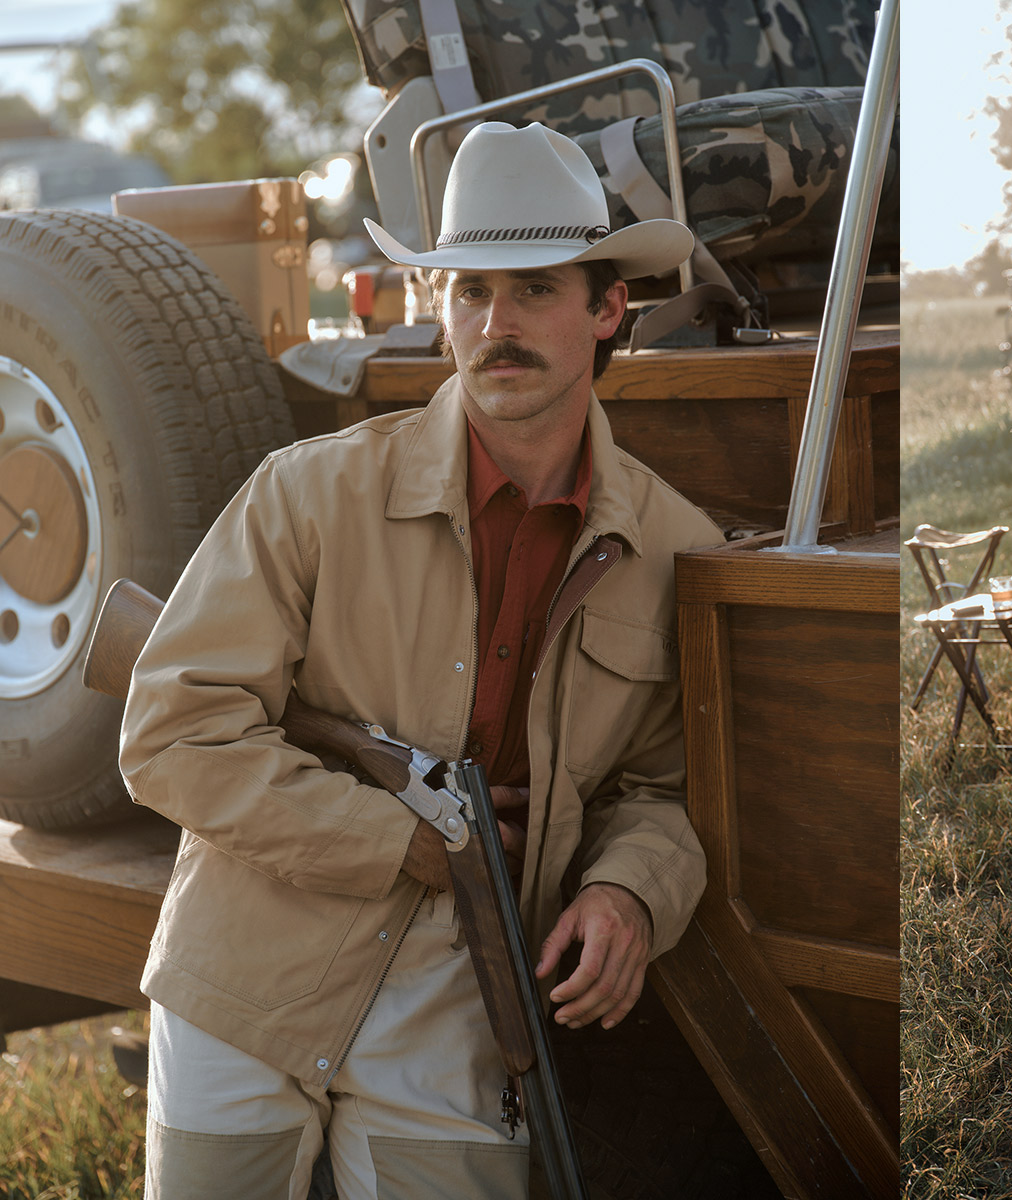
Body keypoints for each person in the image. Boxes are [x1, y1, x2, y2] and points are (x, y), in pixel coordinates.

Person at [120, 121, 719, 1196]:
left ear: (607, 307)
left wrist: (630, 894)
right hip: (246, 970)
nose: (498, 323)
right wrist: (395, 840)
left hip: (468, 992)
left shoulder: (679, 552)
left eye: (535, 288)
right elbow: (174, 734)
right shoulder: (306, 494)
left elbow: (663, 790)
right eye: (470, 290)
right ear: (440, 312)